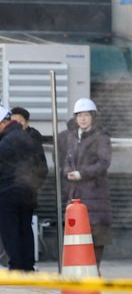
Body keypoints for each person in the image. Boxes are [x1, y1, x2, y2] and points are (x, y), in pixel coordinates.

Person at [56, 98, 112, 270]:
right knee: (75, 237)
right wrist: (67, 172)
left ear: (93, 117)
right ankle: (79, 272)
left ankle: (94, 272)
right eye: (79, 115)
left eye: (86, 115)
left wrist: (82, 174)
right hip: (75, 195)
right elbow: (67, 159)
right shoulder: (72, 137)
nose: (83, 119)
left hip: (95, 196)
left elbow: (104, 163)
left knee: (95, 236)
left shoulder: (101, 137)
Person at [0, 107, 45, 271]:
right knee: (25, 229)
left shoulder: (6, 142)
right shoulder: (28, 137)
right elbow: (41, 167)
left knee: (10, 231)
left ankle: (17, 267)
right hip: (28, 191)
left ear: (3, 122)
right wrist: (33, 186)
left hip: (8, 193)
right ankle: (27, 266)